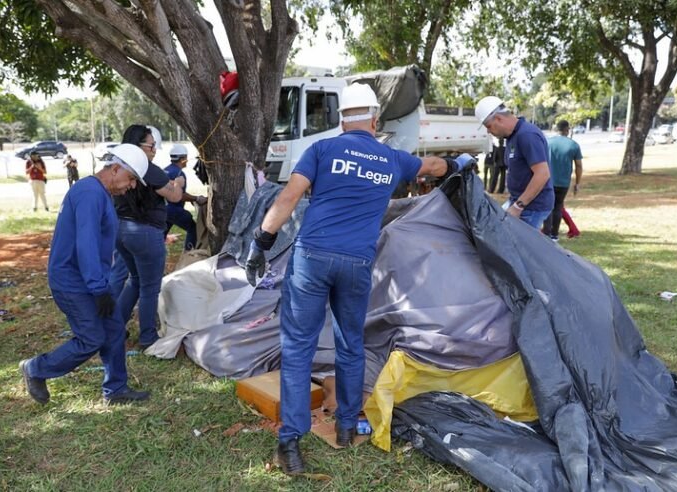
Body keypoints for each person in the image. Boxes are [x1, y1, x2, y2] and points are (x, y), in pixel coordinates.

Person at [245, 83, 470, 475]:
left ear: (340, 119)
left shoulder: (320, 150)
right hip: (356, 264)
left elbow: (288, 198)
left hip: (312, 259)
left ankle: (290, 443)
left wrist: (260, 242)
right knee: (351, 343)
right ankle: (347, 426)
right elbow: (432, 167)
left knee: (298, 348)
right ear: (375, 119)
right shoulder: (391, 158)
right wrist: (458, 163)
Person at [19, 144, 151, 405]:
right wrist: (98, 287)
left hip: (92, 281)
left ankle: (116, 390)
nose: (132, 186)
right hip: (73, 282)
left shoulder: (99, 192)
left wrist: (100, 284)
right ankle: (36, 368)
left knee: (113, 330)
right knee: (91, 338)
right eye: (132, 178)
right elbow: (86, 243)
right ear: (115, 169)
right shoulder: (90, 193)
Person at [113, 125, 184, 350]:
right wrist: (179, 184)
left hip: (120, 229)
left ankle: (114, 329)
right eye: (151, 146)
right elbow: (173, 197)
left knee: (134, 281)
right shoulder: (148, 169)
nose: (154, 150)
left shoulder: (117, 166)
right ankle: (148, 337)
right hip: (144, 233)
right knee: (149, 288)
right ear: (138, 146)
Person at [475, 96, 553, 229]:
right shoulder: (512, 136)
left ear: (499, 119)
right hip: (517, 201)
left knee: (520, 248)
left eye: (488, 126)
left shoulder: (527, 135)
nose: (488, 131)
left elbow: (542, 174)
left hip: (531, 207)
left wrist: (518, 206)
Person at [543, 120, 583, 241]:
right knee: (558, 206)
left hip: (548, 180)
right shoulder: (573, 145)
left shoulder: (547, 142)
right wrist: (577, 183)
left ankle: (546, 233)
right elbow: (579, 166)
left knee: (548, 207)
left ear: (556, 129)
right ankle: (555, 234)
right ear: (567, 130)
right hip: (563, 182)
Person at [164, 144, 206, 251]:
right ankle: (189, 253)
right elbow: (180, 195)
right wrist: (196, 198)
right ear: (182, 159)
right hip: (174, 210)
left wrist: (190, 198)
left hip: (163, 209)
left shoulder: (165, 170)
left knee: (161, 235)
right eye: (186, 158)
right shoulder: (179, 173)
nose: (187, 160)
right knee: (193, 229)